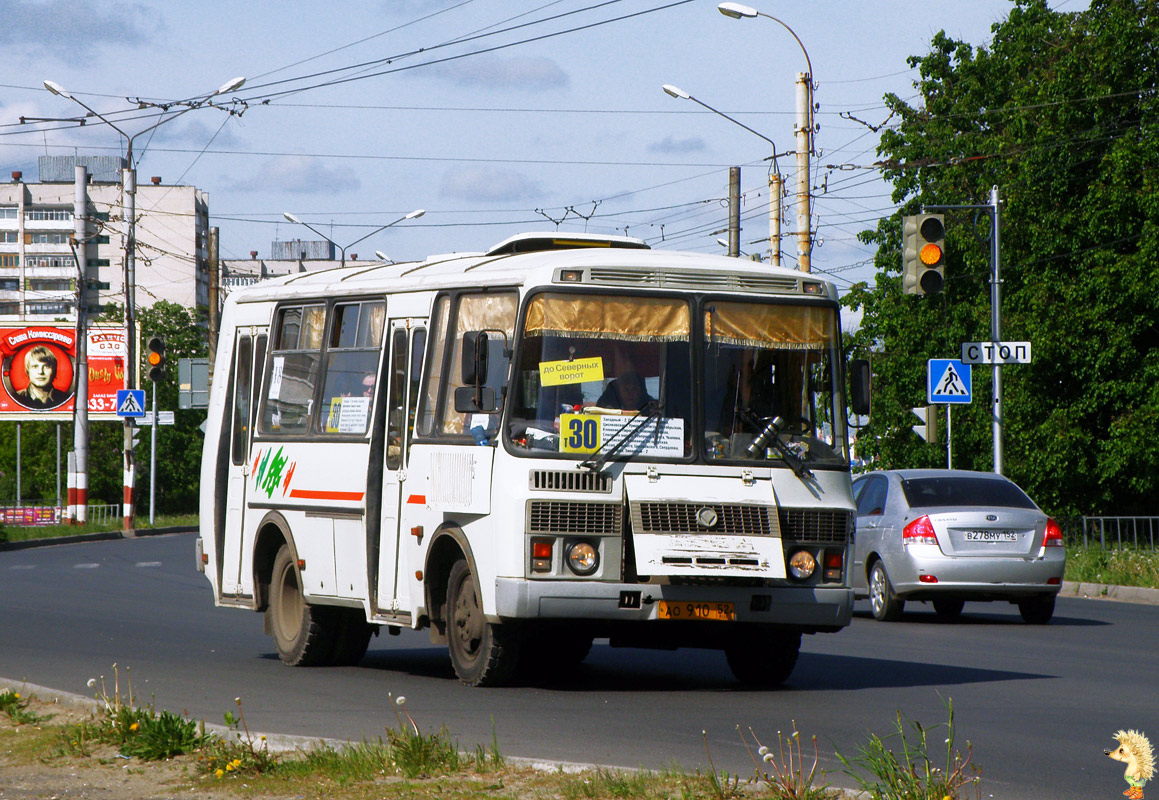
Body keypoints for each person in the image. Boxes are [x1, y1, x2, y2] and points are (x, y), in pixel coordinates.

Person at [13, 345, 70, 410]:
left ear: (54, 370)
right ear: (27, 370)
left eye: (46, 366)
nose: (40, 372)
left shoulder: (64, 398)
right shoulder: (16, 397)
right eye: (35, 367)